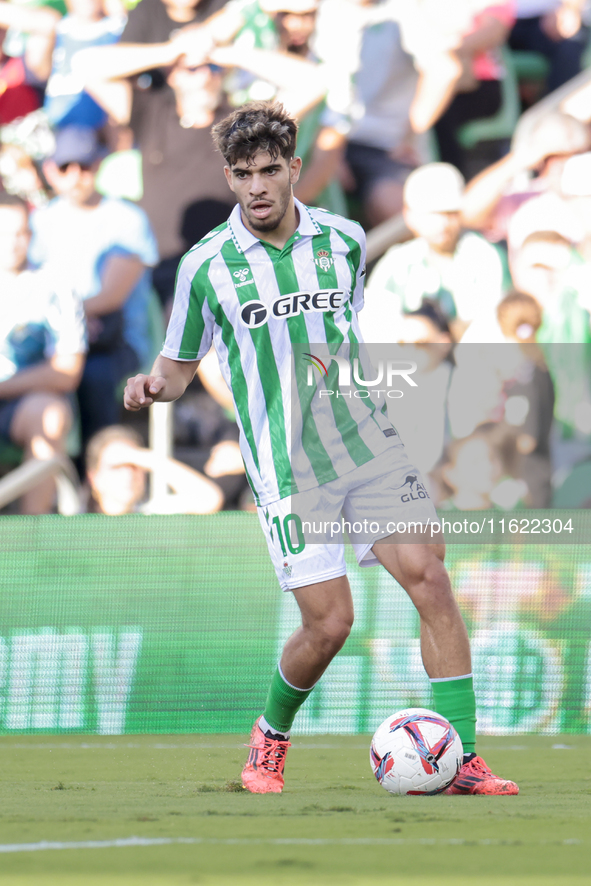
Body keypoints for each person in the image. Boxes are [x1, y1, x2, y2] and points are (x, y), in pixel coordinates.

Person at [123, 100, 519, 797]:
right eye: (242, 174)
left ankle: (461, 760)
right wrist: (153, 386)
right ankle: (269, 737)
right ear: (228, 176)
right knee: (330, 624)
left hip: (368, 447)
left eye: (269, 170)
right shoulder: (205, 268)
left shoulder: (343, 240)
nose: (257, 187)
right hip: (288, 470)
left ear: (293, 168)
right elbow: (180, 366)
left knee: (429, 576)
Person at [29, 124, 158, 451]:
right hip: (55, 337)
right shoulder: (38, 223)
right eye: (65, 166)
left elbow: (111, 298)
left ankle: (95, 471)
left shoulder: (127, 218)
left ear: (98, 164)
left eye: (84, 165)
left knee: (91, 375)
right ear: (50, 170)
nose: (76, 175)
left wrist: (67, 320)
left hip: (116, 341)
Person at [0, 192, 86, 514]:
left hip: (24, 405)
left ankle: (31, 540)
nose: (12, 243)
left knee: (49, 415)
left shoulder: (55, 285)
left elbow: (66, 371)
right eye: (3, 233)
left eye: (20, 232)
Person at [362, 162, 504, 341]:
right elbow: (374, 326)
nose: (442, 223)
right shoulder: (396, 264)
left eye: (449, 213)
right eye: (432, 214)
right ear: (409, 215)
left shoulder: (483, 255)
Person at [84, 423, 224, 514]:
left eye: (135, 466)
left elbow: (209, 499)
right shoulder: (73, 513)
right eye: (117, 467)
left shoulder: (150, 511)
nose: (128, 474)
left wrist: (150, 459)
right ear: (94, 477)